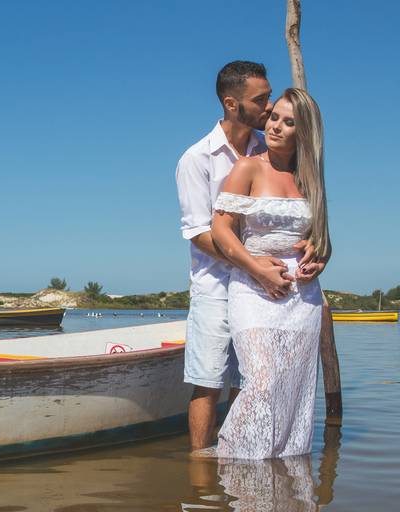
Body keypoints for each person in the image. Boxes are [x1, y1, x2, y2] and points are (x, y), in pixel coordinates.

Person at [211, 88, 330, 458]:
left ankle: (284, 472)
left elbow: (321, 240)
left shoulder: (310, 179)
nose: (275, 126)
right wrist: (258, 271)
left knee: (292, 388)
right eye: (274, 116)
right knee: (262, 381)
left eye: (288, 122)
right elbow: (220, 230)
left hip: (302, 298)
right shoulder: (248, 167)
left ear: (304, 132)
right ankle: (234, 465)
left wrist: (320, 256)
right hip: (252, 287)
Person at [176, 61, 285, 451]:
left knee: (249, 382)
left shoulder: (270, 151)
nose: (269, 106)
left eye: (269, 96)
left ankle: (236, 459)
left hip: (261, 290)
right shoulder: (197, 159)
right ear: (231, 104)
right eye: (261, 99)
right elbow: (199, 234)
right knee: (207, 383)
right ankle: (200, 473)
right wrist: (253, 266)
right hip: (215, 289)